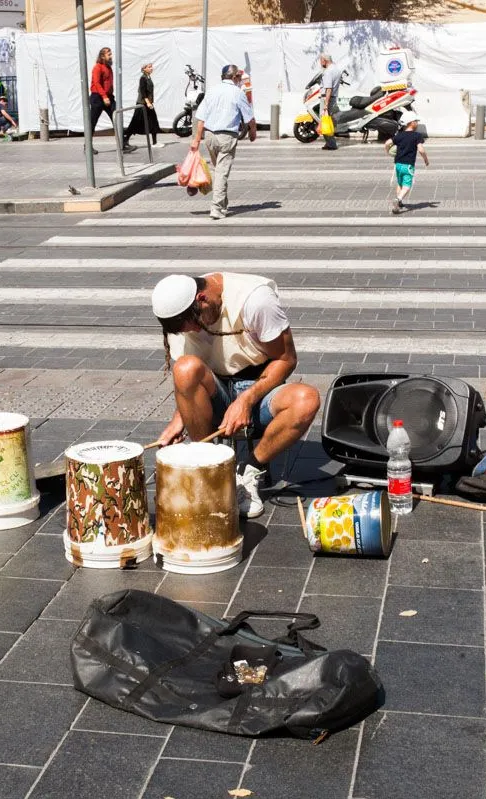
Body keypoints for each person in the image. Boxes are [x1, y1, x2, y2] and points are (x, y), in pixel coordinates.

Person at [151, 272, 321, 519]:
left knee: (307, 400)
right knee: (185, 368)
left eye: (198, 325)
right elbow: (190, 376)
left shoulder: (255, 300)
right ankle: (208, 467)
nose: (196, 331)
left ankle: (250, 469)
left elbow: (286, 359)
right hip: (216, 388)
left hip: (260, 386)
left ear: (202, 299)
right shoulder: (180, 316)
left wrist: (246, 400)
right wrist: (180, 419)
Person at [190, 64, 257, 220]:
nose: (240, 80)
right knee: (221, 173)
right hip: (227, 137)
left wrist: (196, 140)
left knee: (219, 170)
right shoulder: (237, 93)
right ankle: (216, 208)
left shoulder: (212, 91)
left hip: (210, 136)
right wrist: (253, 133)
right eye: (239, 77)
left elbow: (200, 117)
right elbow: (249, 118)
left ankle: (223, 205)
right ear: (234, 77)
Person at [89, 47, 136, 154]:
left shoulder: (108, 67)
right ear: (102, 56)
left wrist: (109, 96)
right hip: (98, 97)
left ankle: (123, 145)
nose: (111, 56)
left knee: (117, 118)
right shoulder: (97, 67)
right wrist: (104, 96)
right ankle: (87, 146)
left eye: (110, 54)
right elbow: (96, 83)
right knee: (92, 122)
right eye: (108, 54)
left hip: (109, 97)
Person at [384, 110, 429, 214]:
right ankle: (398, 199)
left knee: (400, 183)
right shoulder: (417, 136)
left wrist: (388, 152)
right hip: (408, 165)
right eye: (416, 121)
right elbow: (421, 150)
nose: (417, 123)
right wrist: (426, 160)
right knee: (407, 185)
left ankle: (399, 203)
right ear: (412, 123)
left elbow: (387, 143)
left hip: (398, 165)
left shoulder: (399, 135)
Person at [122, 62, 160, 149]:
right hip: (142, 104)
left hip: (147, 104)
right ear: (144, 69)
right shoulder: (143, 78)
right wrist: (148, 102)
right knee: (134, 123)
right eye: (149, 67)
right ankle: (125, 139)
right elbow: (143, 92)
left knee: (154, 121)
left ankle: (154, 143)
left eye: (151, 67)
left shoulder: (148, 77)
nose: (151, 68)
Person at [318, 53, 341, 151]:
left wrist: (326, 104)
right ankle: (329, 143)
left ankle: (331, 144)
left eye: (320, 60)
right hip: (333, 97)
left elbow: (328, 89)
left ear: (324, 60)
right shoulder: (336, 69)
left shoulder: (328, 72)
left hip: (327, 98)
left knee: (325, 121)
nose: (320, 62)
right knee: (328, 120)